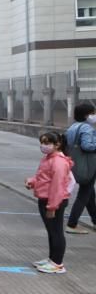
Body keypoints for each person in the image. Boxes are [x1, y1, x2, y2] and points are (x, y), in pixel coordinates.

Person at [26, 131, 74, 274]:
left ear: (57, 144)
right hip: (45, 198)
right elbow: (44, 177)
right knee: (51, 231)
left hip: (54, 201)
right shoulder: (48, 158)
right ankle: (52, 259)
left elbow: (57, 186)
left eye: (47, 143)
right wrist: (32, 182)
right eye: (42, 142)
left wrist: (52, 206)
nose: (43, 146)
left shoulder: (58, 161)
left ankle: (58, 263)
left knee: (56, 231)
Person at [64, 103, 96, 235]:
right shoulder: (87, 128)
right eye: (93, 113)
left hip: (76, 164)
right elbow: (87, 146)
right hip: (88, 164)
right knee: (84, 194)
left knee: (89, 193)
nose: (94, 116)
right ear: (86, 115)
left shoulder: (72, 127)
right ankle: (72, 223)